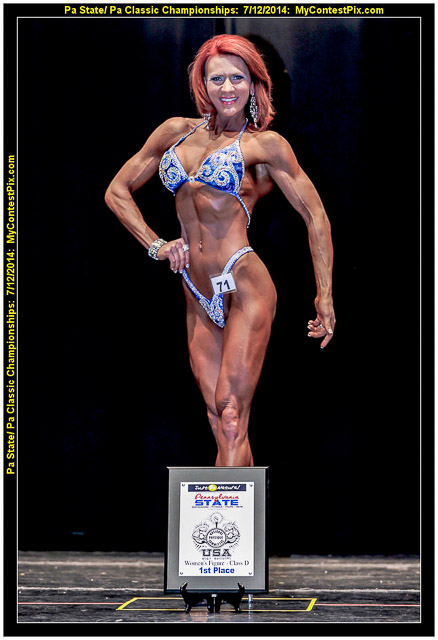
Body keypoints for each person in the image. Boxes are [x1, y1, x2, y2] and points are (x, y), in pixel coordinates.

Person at [105, 34, 335, 467]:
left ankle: (218, 512)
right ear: (203, 84)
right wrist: (156, 245)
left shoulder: (264, 145)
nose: (227, 88)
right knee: (219, 416)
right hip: (195, 288)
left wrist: (325, 295)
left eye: (237, 78)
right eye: (217, 79)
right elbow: (117, 191)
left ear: (254, 84)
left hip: (242, 280)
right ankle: (242, 512)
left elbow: (316, 216)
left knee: (231, 412)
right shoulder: (175, 132)